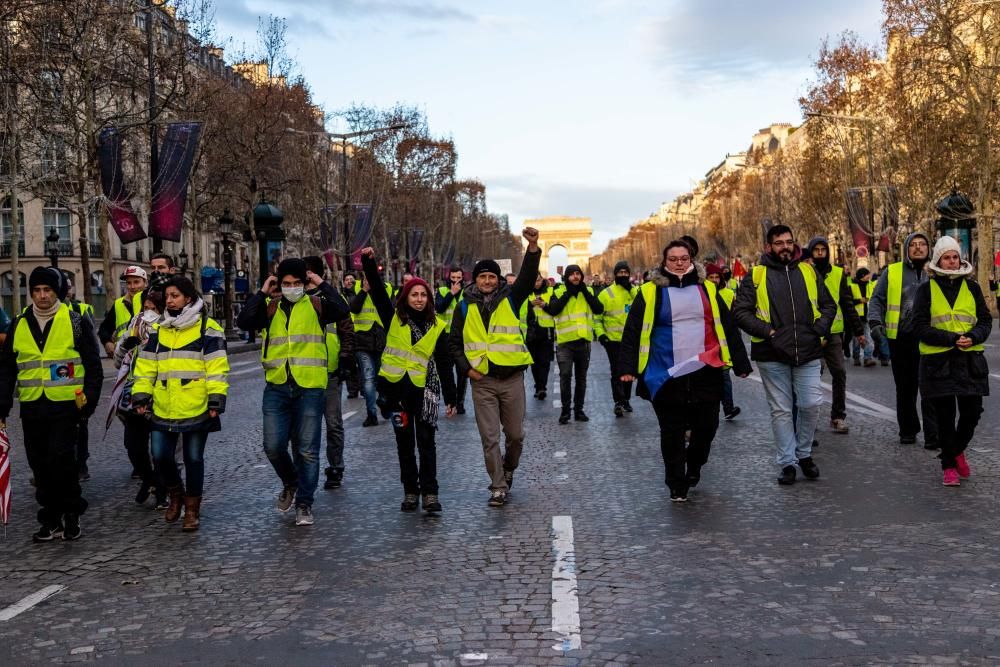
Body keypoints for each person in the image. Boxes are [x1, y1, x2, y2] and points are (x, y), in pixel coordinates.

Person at [619, 241, 751, 501]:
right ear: (664, 262)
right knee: (672, 431)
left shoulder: (709, 289)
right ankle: (676, 481)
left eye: (684, 258)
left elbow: (727, 325)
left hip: (706, 368)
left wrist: (741, 363)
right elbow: (633, 331)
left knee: (707, 427)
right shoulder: (648, 291)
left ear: (692, 260)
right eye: (673, 259)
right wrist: (627, 368)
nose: (679, 263)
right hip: (665, 372)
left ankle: (695, 464)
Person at [236, 259, 349, 526]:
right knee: (273, 446)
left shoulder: (317, 305)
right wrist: (263, 291)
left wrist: (320, 283)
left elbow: (342, 309)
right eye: (286, 284)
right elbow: (244, 320)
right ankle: (291, 481)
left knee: (307, 450)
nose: (291, 288)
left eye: (296, 283)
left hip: (310, 385)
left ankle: (304, 503)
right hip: (277, 385)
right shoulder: (271, 307)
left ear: (305, 283)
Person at [0, 267, 102, 541]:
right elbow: (7, 369)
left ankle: (71, 513)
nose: (42, 296)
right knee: (39, 465)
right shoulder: (18, 323)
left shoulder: (76, 321)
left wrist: (89, 399)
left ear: (57, 292)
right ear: (31, 293)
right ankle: (50, 518)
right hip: (32, 406)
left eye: (47, 290)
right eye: (37, 291)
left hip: (66, 404)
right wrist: (2, 403)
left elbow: (93, 364)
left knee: (62, 460)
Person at [732, 224, 837, 485]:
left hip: (809, 350)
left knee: (811, 403)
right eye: (779, 243)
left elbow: (828, 305)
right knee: (781, 410)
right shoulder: (755, 275)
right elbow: (740, 312)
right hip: (771, 353)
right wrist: (768, 332)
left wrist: (818, 330)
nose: (785, 247)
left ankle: (804, 454)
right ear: (769, 247)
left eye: (789, 242)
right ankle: (788, 462)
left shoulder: (808, 270)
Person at [449, 228, 540, 506]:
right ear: (475, 279)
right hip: (482, 380)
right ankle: (497, 486)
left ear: (497, 279)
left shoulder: (512, 298)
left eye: (491, 276)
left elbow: (526, 276)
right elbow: (453, 343)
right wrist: (467, 370)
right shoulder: (463, 306)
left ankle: (509, 467)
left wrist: (533, 247)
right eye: (482, 276)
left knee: (515, 436)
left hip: (512, 378)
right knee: (489, 438)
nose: (487, 281)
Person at [131, 277, 229, 532]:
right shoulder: (159, 329)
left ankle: (192, 509)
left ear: (188, 297)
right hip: (163, 405)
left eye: (175, 295)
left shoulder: (208, 328)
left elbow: (217, 367)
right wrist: (141, 395)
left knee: (193, 458)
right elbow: (145, 367)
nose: (170, 300)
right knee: (161, 456)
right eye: (167, 297)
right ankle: (176, 494)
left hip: (196, 404)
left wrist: (216, 398)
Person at [362, 249, 456, 513]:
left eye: (423, 295)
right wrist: (369, 261)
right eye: (414, 294)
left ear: (429, 299)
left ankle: (430, 493)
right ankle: (410, 491)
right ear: (406, 297)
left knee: (427, 444)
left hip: (425, 393)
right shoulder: (392, 318)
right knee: (404, 445)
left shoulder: (438, 326)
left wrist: (452, 398)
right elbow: (378, 290)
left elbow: (446, 363)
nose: (419, 299)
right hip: (396, 393)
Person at [911, 237, 991, 486]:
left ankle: (954, 451)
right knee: (945, 417)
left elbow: (986, 320)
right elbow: (919, 326)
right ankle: (949, 468)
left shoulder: (973, 287)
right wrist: (952, 338)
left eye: (955, 256)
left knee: (973, 412)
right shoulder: (926, 289)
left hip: (969, 362)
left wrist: (974, 336)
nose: (952, 261)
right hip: (939, 362)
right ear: (938, 260)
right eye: (947, 257)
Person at [868, 232, 938, 448]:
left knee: (930, 388)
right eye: (913, 245)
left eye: (922, 244)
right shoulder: (893, 271)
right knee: (905, 388)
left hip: (931, 338)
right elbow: (877, 299)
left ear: (928, 248)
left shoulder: (937, 271)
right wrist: (875, 323)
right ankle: (907, 430)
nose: (918, 248)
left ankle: (932, 434)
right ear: (907, 249)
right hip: (901, 339)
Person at [303, 256, 356, 491]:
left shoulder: (334, 299)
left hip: (330, 371)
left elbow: (346, 330)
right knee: (305, 429)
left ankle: (336, 467)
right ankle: (305, 472)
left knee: (333, 424)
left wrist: (345, 357)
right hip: (303, 373)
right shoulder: (296, 300)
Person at [114, 288, 168, 509]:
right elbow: (119, 361)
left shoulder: (170, 327)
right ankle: (149, 479)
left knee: (160, 449)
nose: (149, 313)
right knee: (134, 446)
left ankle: (163, 490)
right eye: (146, 308)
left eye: (154, 309)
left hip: (160, 394)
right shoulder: (135, 325)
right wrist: (126, 344)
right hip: (134, 395)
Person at [806, 237, 866, 434]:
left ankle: (838, 416)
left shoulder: (839, 274)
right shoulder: (804, 272)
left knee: (839, 372)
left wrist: (858, 331)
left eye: (824, 249)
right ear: (812, 252)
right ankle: (809, 418)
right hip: (812, 334)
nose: (821, 253)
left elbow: (848, 304)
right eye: (817, 250)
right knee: (812, 376)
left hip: (833, 333)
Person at [544, 264, 604, 423]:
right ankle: (565, 412)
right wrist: (568, 294)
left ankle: (579, 410)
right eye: (572, 274)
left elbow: (599, 309)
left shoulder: (589, 291)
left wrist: (584, 291)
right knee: (565, 377)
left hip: (584, 342)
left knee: (581, 378)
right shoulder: (557, 291)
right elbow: (554, 310)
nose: (575, 277)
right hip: (565, 343)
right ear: (566, 277)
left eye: (578, 274)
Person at [595, 260, 637, 417]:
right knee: (617, 371)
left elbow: (644, 305)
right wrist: (601, 335)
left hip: (631, 340)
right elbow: (597, 318)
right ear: (615, 275)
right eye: (620, 273)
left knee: (630, 371)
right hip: (612, 340)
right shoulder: (606, 294)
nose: (623, 275)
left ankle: (626, 399)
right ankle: (619, 401)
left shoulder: (634, 292)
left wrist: (631, 290)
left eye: (626, 273)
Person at [705, 263, 741, 420]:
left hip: (724, 341)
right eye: (710, 277)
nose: (714, 280)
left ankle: (728, 407)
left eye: (716, 277)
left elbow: (735, 313)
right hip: (708, 341)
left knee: (725, 376)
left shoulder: (728, 293)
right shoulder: (703, 294)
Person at [351, 274, 388, 426]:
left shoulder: (386, 288)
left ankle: (385, 404)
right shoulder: (356, 288)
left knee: (384, 378)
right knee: (368, 378)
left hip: (380, 342)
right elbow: (353, 308)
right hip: (362, 343)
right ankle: (371, 414)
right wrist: (364, 290)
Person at [435, 266, 468, 414]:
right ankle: (451, 401)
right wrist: (451, 294)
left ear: (462, 278)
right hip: (444, 337)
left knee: (462, 373)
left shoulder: (468, 293)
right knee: (447, 374)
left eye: (458, 278)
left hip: (462, 337)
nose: (455, 281)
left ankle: (460, 402)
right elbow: (439, 308)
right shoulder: (442, 291)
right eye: (453, 278)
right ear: (449, 278)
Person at [98, 265, 147, 358]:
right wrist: (107, 342)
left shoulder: (153, 302)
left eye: (136, 282)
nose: (132, 286)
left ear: (145, 283)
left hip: (146, 356)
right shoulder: (118, 304)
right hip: (124, 358)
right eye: (128, 283)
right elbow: (104, 328)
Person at [525, 273, 555, 400]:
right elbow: (520, 310)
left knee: (545, 361)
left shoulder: (550, 292)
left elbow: (555, 310)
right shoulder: (525, 293)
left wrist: (545, 305)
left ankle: (542, 387)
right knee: (534, 362)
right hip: (531, 331)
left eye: (538, 280)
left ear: (542, 279)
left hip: (546, 331)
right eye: (533, 280)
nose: (536, 283)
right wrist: (530, 304)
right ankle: (538, 385)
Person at [850, 268, 877, 367]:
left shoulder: (870, 285)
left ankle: (867, 358)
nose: (869, 276)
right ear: (862, 275)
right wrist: (859, 301)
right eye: (867, 275)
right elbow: (848, 302)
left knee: (868, 338)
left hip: (867, 317)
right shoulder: (852, 286)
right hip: (856, 318)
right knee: (856, 339)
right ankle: (856, 358)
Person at [341, 273, 361, 399]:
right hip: (347, 334)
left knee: (361, 364)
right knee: (349, 364)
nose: (349, 282)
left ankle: (363, 387)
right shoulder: (341, 297)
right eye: (346, 279)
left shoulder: (360, 295)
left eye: (351, 280)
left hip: (360, 334)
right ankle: (352, 390)